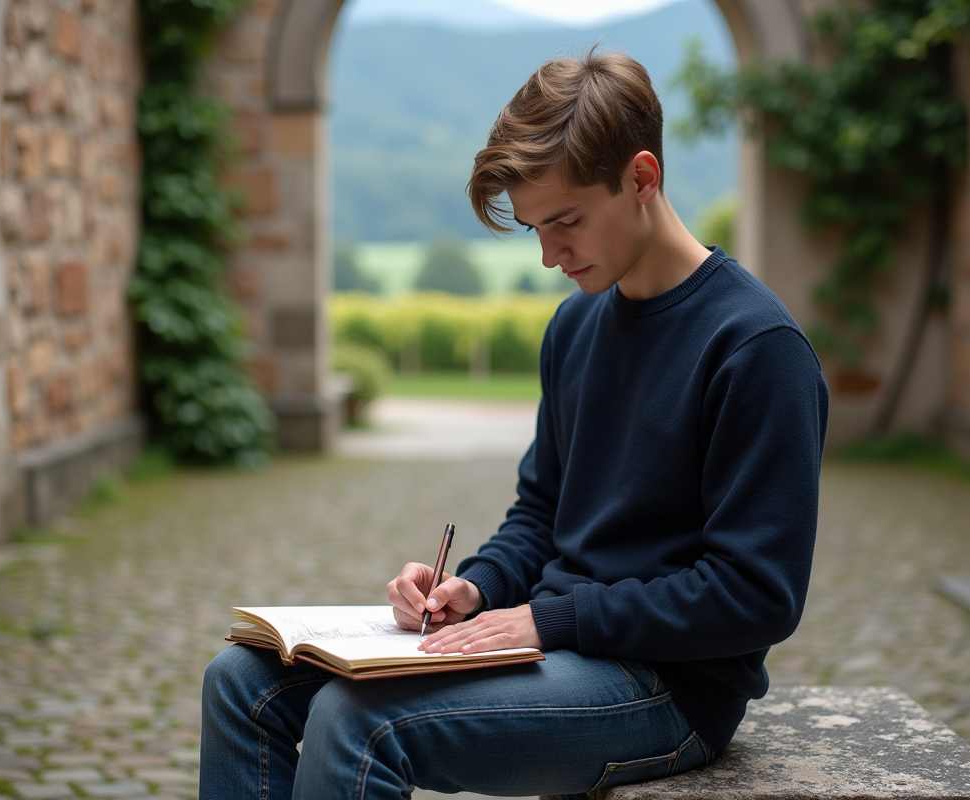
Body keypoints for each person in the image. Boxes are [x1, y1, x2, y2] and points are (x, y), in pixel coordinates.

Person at [199, 48, 828, 800]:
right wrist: (475, 589)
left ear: (642, 177)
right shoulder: (575, 328)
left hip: (669, 688)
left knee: (356, 720)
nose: (548, 255)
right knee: (240, 680)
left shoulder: (756, 349)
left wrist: (550, 620)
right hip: (559, 646)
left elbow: (757, 596)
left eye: (566, 222)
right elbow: (540, 514)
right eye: (534, 228)